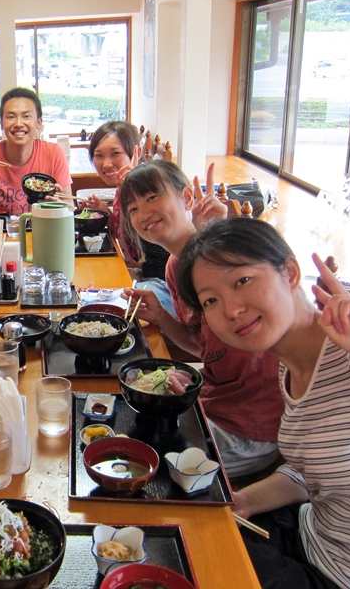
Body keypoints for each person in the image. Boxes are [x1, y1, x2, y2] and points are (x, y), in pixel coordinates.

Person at [175, 217, 350, 589]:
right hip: (308, 533)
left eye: (242, 281)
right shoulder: (288, 366)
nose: (230, 310)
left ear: (290, 272)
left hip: (345, 577)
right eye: (211, 300)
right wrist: (243, 499)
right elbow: (309, 473)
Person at [120, 161, 283, 478]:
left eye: (153, 197)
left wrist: (219, 233)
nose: (143, 213)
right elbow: (204, 347)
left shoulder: (224, 257)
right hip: (212, 400)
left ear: (186, 197)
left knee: (147, 469)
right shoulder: (172, 267)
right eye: (133, 209)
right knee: (125, 425)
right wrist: (162, 318)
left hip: (250, 427)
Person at [79, 121, 174, 313]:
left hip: (167, 284)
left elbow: (138, 251)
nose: (106, 163)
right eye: (98, 156)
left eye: (115, 153)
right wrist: (105, 214)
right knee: (87, 288)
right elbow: (129, 240)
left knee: (100, 306)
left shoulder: (150, 187)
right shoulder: (123, 190)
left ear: (137, 153)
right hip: (146, 274)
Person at [0, 87, 72, 215]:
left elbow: (70, 206)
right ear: (2, 124)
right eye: (11, 117)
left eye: (26, 116)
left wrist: (59, 205)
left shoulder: (54, 153)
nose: (19, 123)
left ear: (39, 123)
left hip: (42, 231)